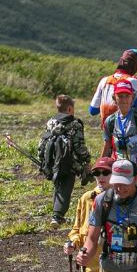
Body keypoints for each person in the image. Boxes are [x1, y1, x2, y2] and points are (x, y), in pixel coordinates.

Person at [40, 94, 91, 227]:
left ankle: (57, 214)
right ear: (69, 109)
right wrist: (86, 160)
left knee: (59, 186)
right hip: (69, 163)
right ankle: (57, 216)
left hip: (52, 161)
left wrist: (43, 161)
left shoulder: (51, 122)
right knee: (65, 188)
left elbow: (43, 141)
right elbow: (79, 145)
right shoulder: (75, 123)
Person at [101, 80, 137, 184]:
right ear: (114, 98)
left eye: (127, 96)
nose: (124, 99)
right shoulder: (110, 121)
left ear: (132, 98)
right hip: (117, 168)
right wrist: (101, 168)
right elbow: (106, 146)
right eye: (120, 96)